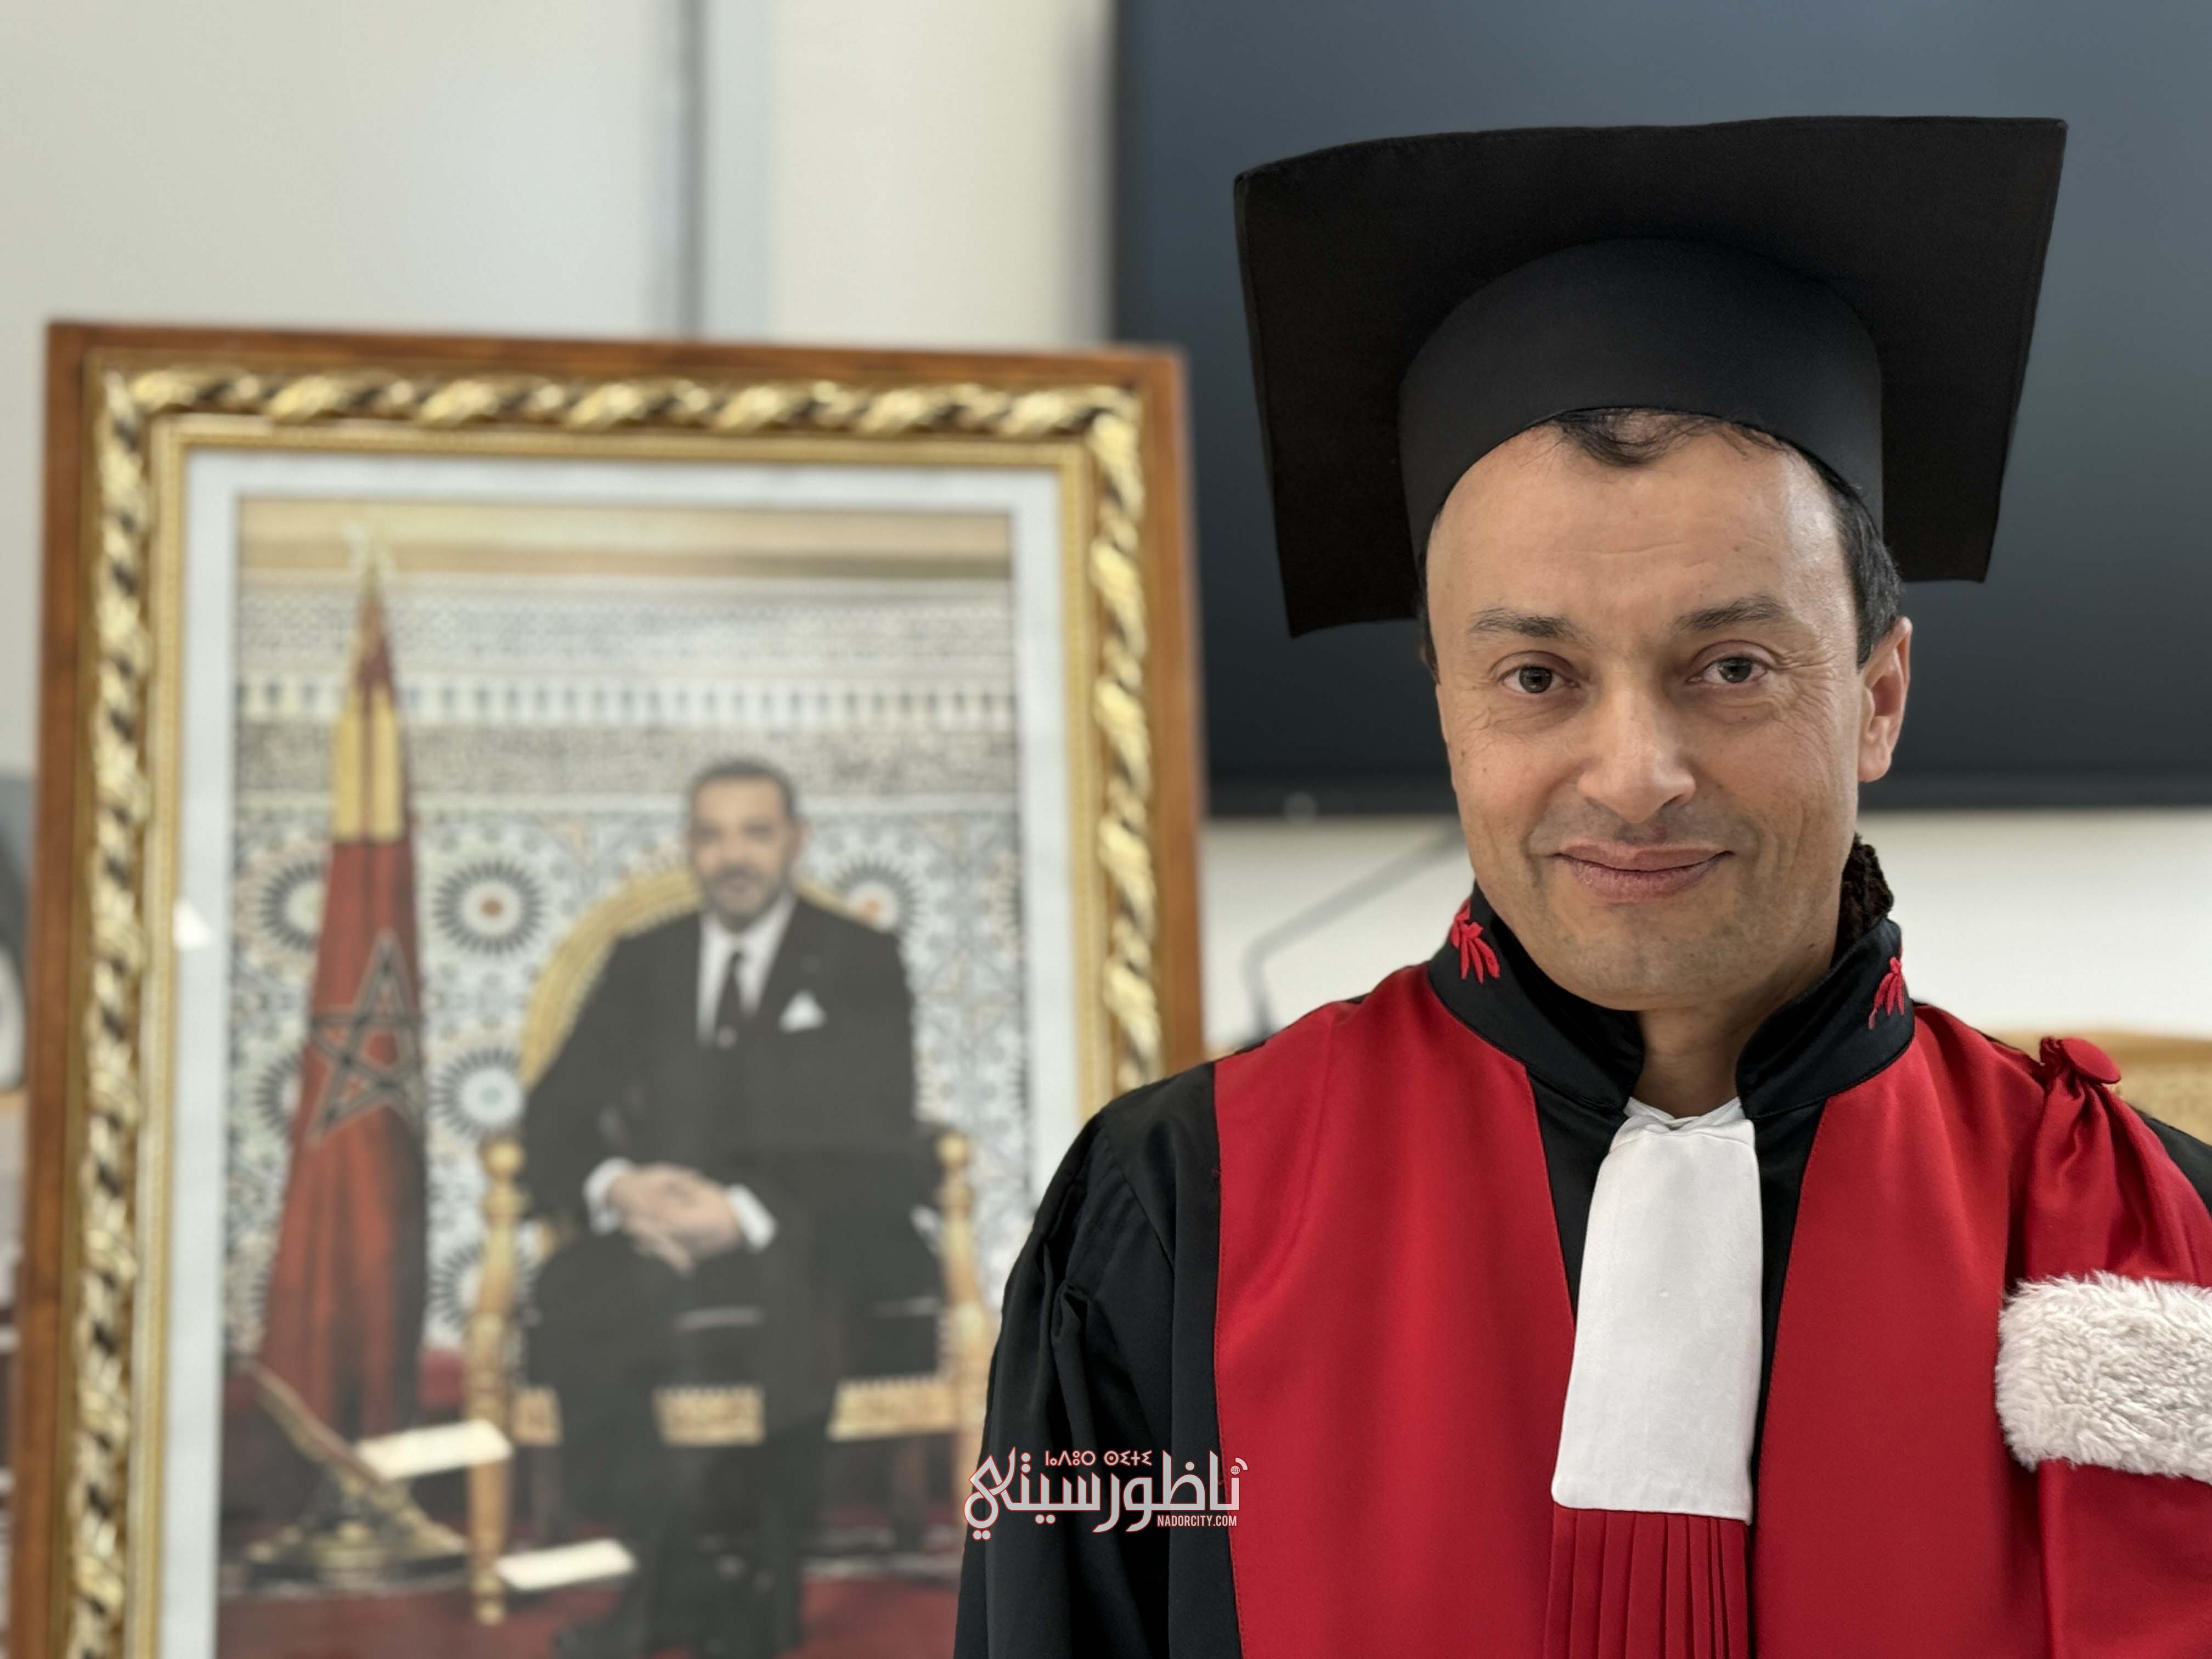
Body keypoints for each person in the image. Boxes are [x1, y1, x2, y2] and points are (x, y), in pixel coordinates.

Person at [955, 119, 2212, 1657]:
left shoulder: (2146, 1236)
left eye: (1731, 667)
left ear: (1878, 698)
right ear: (1448, 707)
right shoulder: (1165, 1220)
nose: (1634, 774)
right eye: (1538, 676)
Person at [525, 758, 939, 1659]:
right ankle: (675, 1572)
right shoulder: (646, 961)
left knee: (802, 1291)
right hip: (663, 1230)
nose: (734, 856)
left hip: (817, 1225)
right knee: (573, 1292)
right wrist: (619, 1188)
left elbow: (878, 1132)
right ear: (689, 848)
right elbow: (552, 1115)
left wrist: (742, 1212)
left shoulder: (861, 958)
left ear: (796, 840)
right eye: (711, 836)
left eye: (756, 832)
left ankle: (764, 1589)